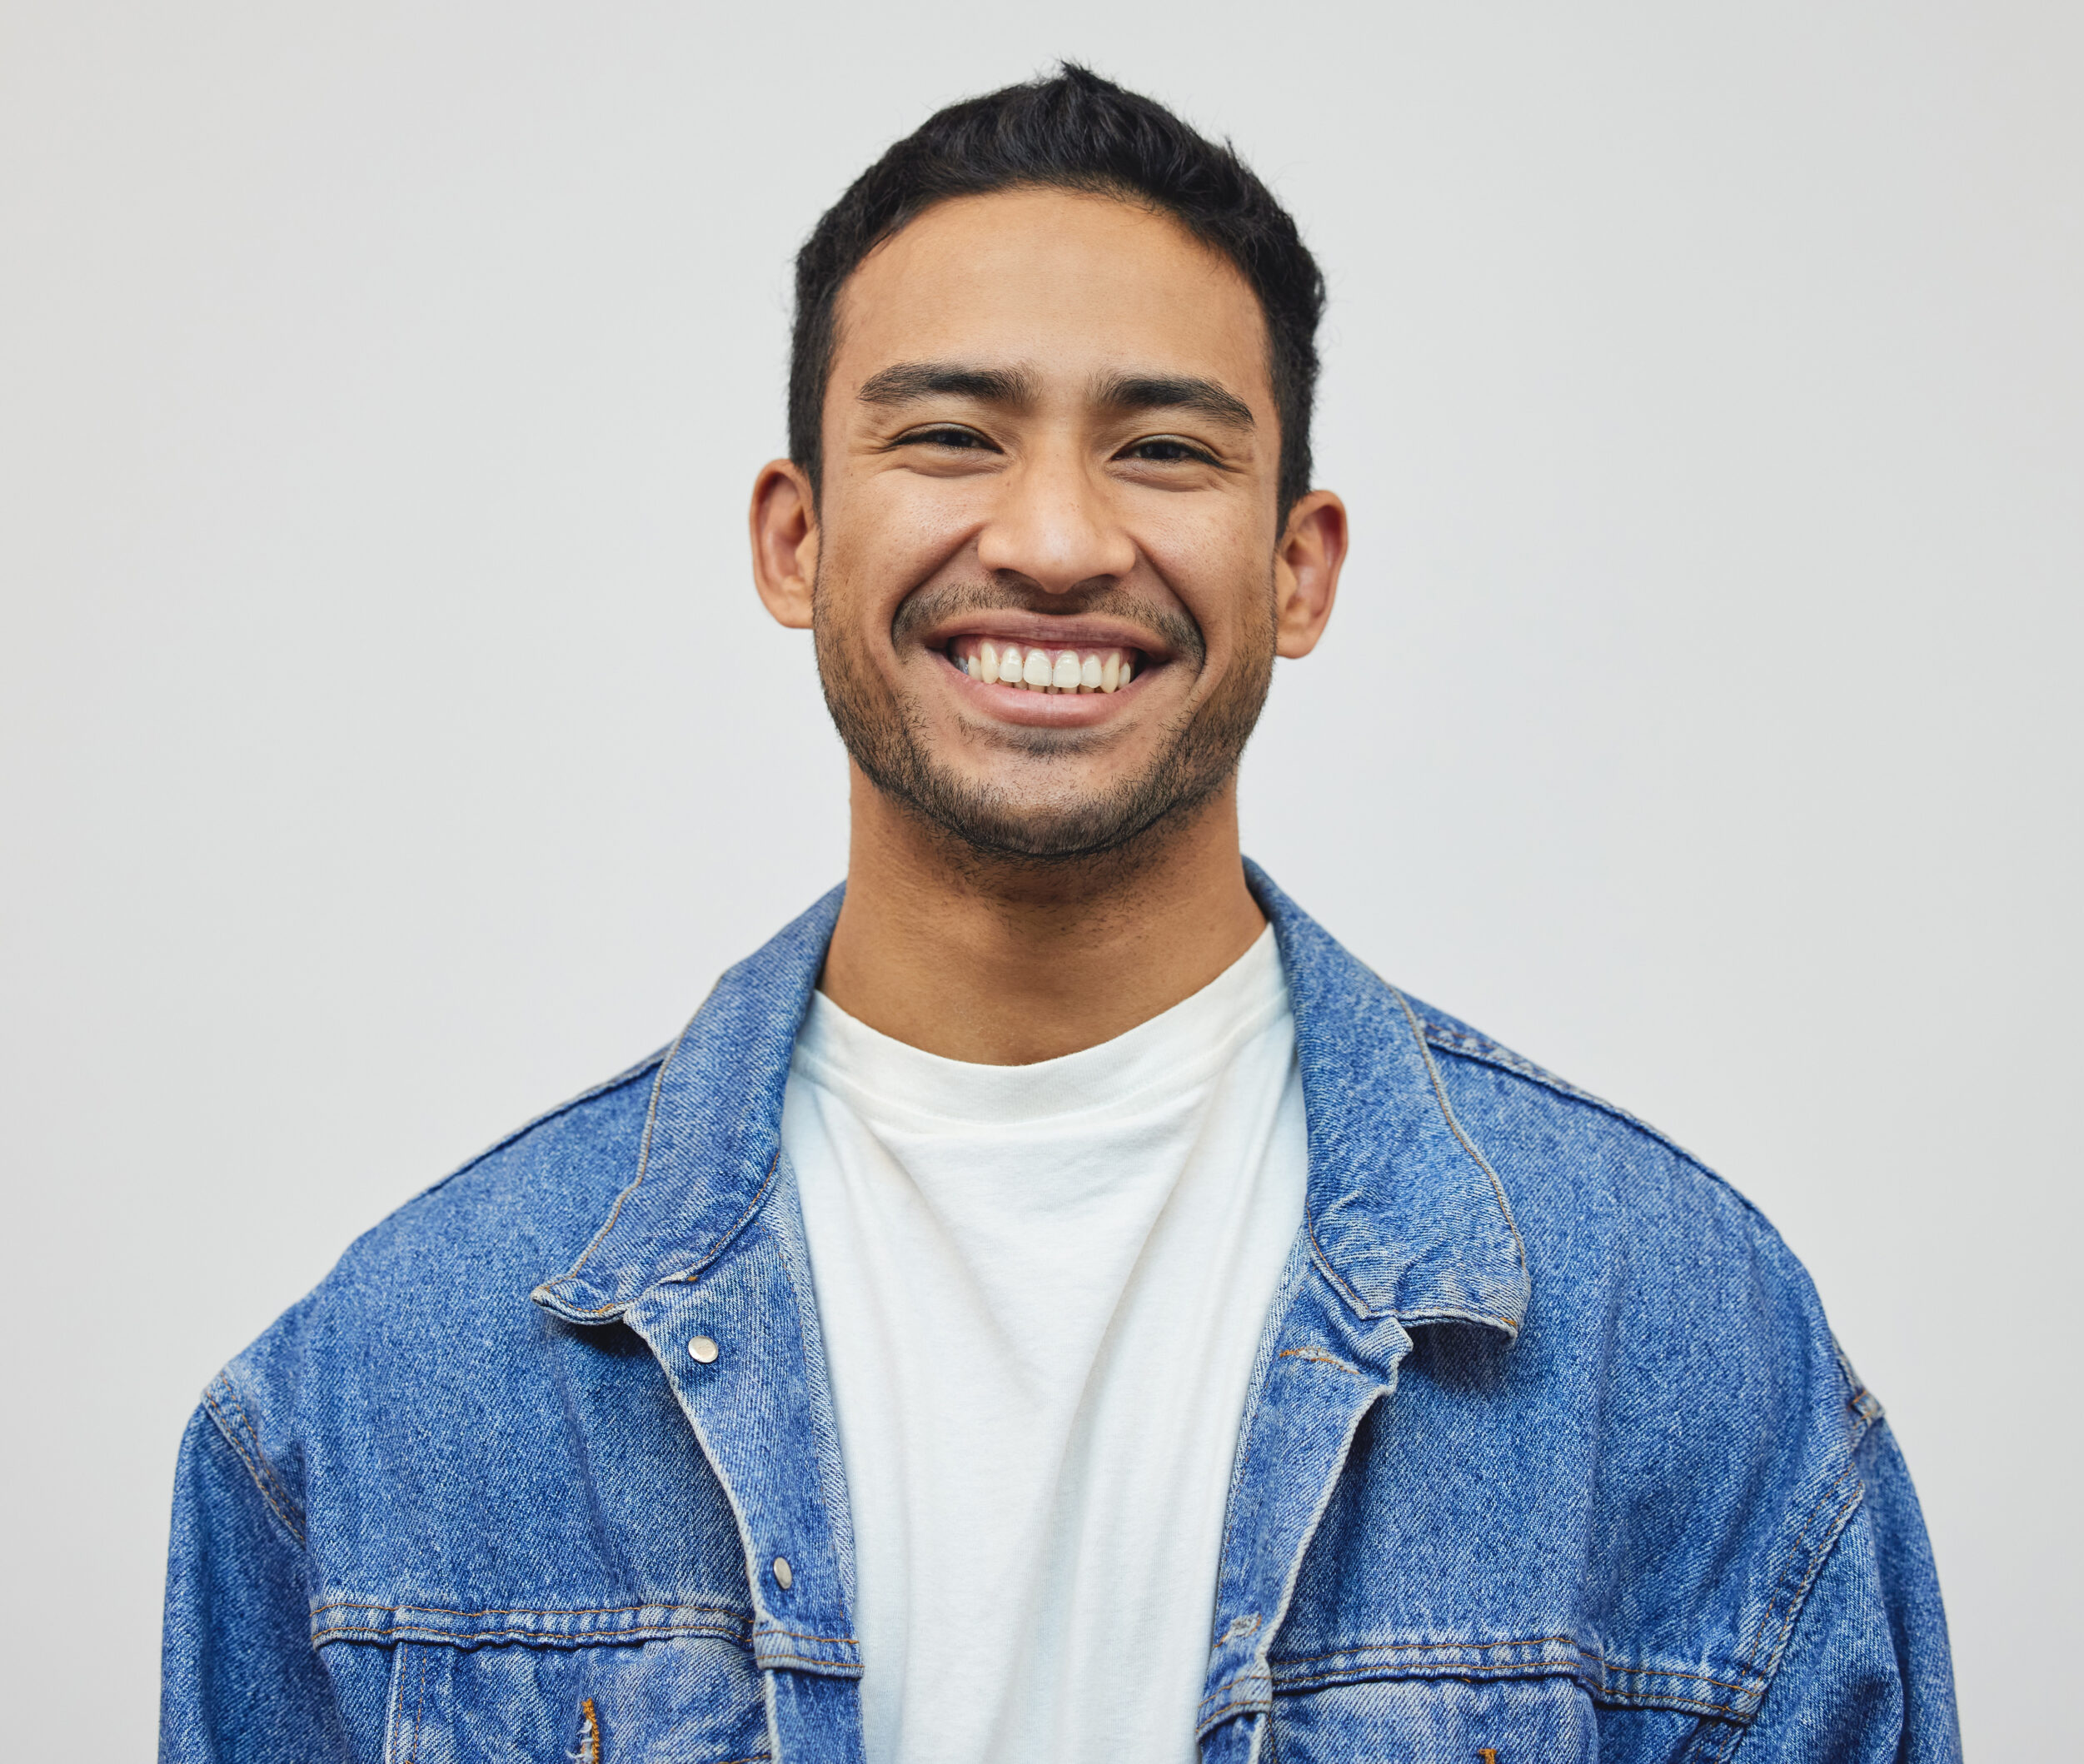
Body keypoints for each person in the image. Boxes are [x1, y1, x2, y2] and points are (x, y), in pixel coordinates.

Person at [160, 65, 1959, 1764]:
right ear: (794, 538)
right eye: (948, 433)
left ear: (1296, 565)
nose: (1049, 537)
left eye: (1163, 450)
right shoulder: (374, 1394)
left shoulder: (1672, 1338)